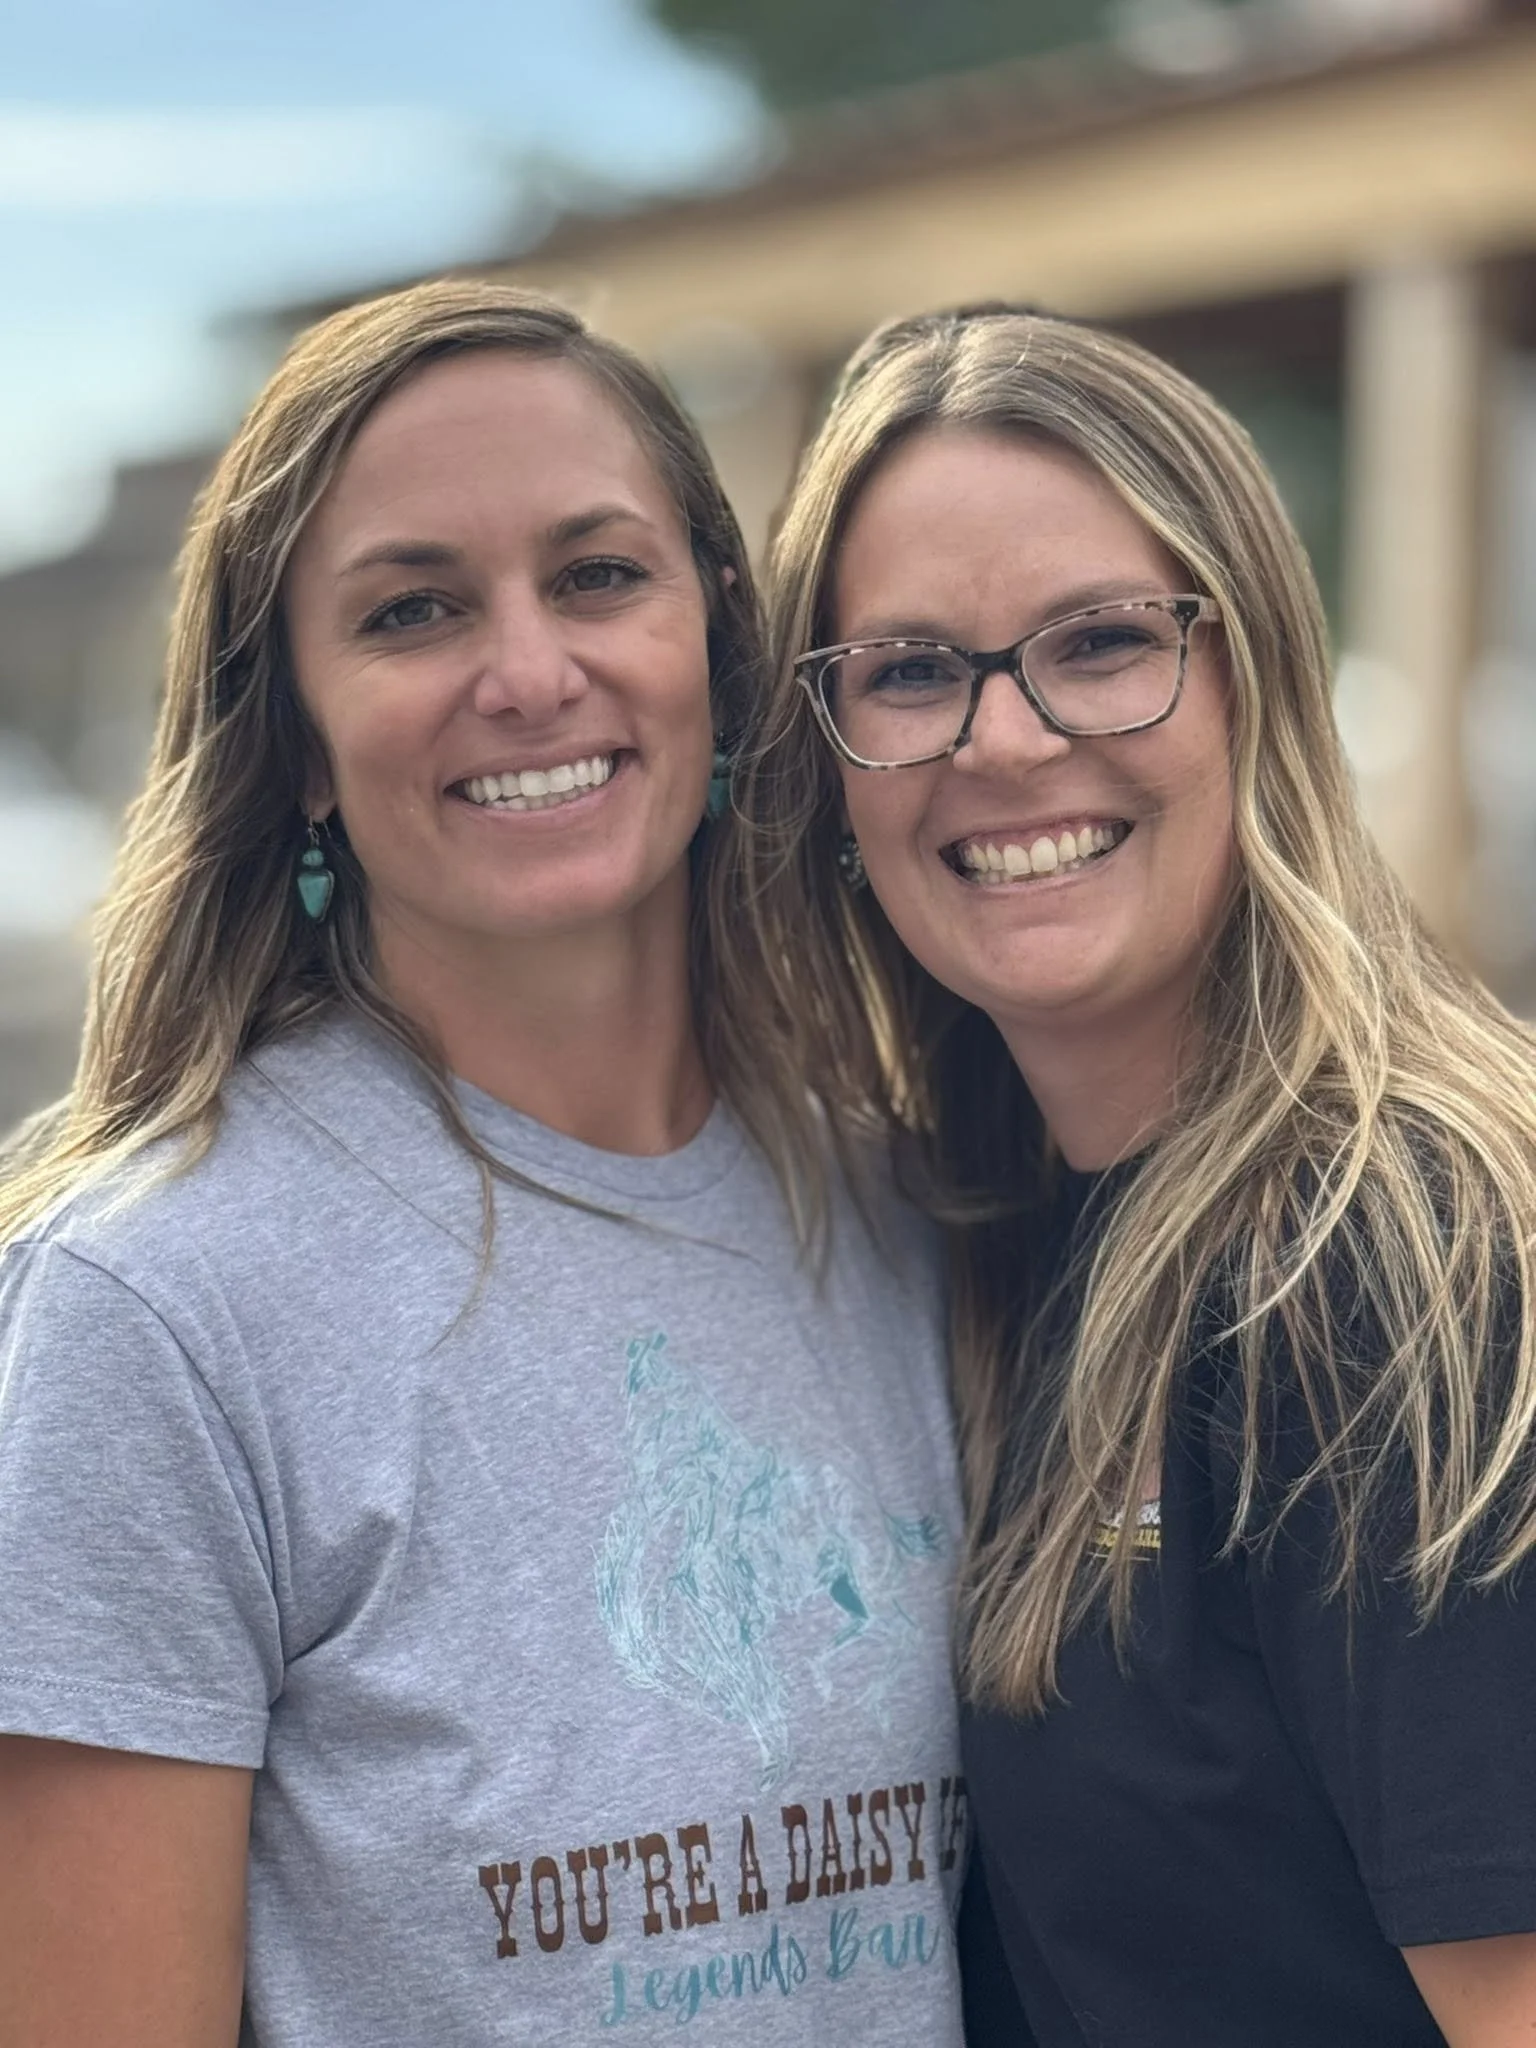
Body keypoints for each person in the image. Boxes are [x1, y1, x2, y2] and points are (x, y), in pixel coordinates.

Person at [0, 281, 968, 2046]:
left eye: (599, 575)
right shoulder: (159, 1311)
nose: (528, 674)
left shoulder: (910, 1220)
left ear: (721, 652)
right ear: (292, 740)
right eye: (413, 609)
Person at [723, 302, 1536, 2047]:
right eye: (913, 671)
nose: (1004, 742)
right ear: (829, 763)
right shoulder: (993, 1227)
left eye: (1100, 642)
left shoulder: (1392, 1254)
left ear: (1256, 675)